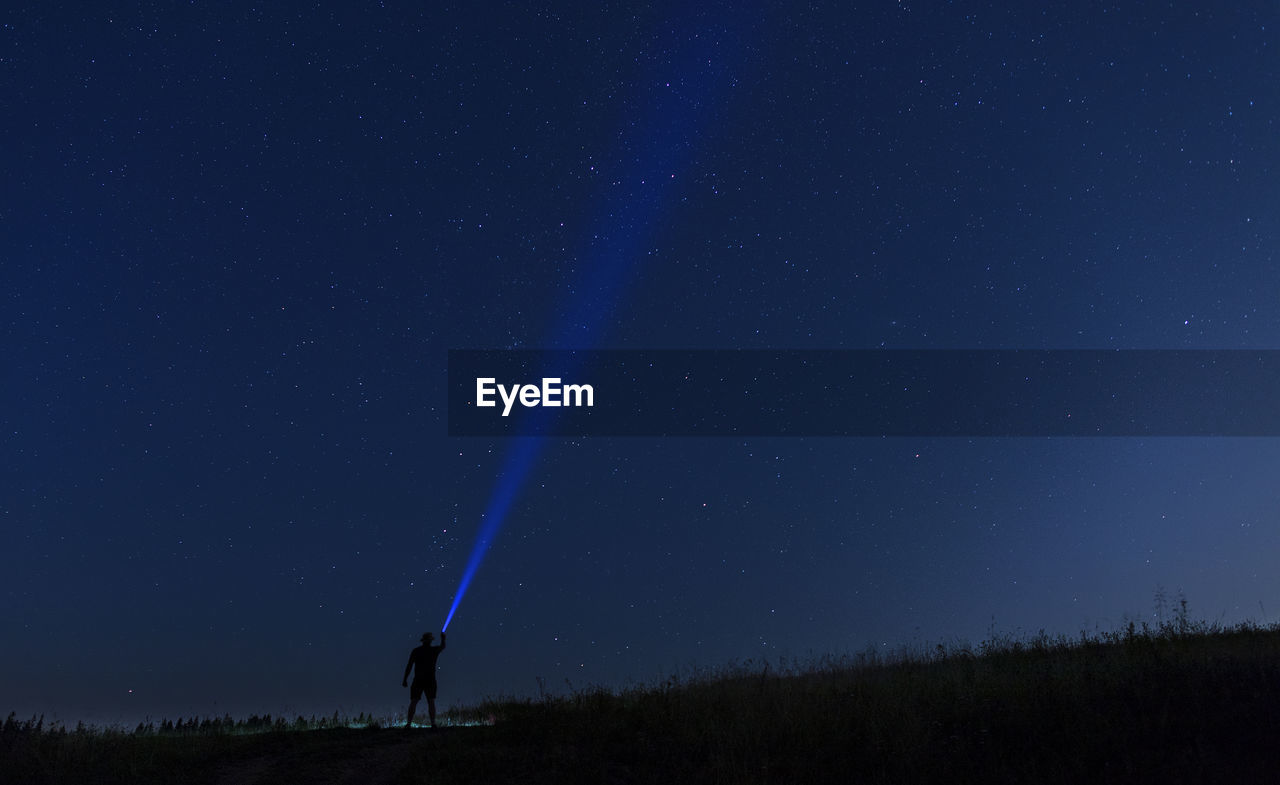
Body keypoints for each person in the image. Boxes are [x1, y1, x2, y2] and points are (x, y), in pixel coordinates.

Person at [403, 631, 447, 727]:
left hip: (418, 679)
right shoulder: (433, 651)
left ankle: (408, 724)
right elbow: (442, 647)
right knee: (431, 701)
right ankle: (433, 724)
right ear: (431, 641)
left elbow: (409, 666)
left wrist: (405, 679)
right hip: (430, 679)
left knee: (414, 701)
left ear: (423, 641)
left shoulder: (416, 651)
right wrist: (443, 639)